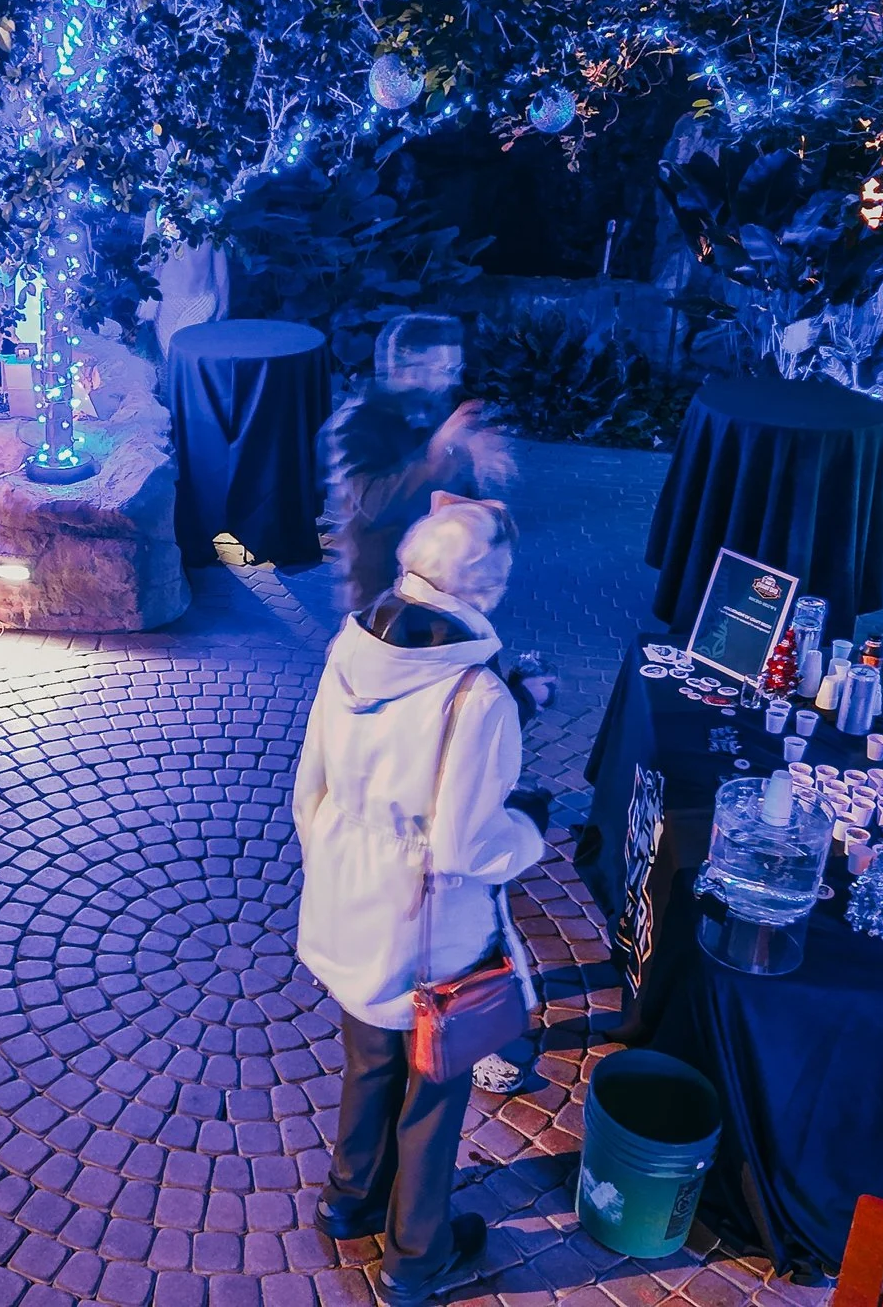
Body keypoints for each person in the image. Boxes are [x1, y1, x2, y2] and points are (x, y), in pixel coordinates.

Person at [292, 495, 546, 1306]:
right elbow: (470, 845)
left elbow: (312, 785)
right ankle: (415, 1256)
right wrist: (529, 835)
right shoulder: (475, 696)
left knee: (369, 1056)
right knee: (435, 1093)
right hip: (430, 921)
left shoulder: (354, 643)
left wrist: (335, 865)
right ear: (487, 580)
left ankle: (348, 1199)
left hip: (351, 893)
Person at [323, 316, 513, 611]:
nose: (451, 380)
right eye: (443, 370)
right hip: (382, 591)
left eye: (455, 369)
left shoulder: (432, 407)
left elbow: (450, 487)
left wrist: (480, 496)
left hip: (439, 582)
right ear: (402, 370)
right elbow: (374, 504)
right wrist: (439, 454)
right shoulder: (356, 424)